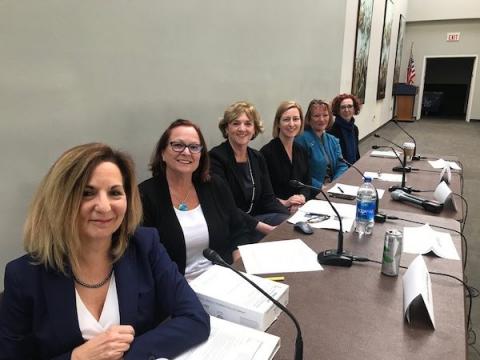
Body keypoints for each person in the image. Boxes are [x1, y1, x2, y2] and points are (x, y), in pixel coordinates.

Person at [0, 143, 209, 360]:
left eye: (115, 193)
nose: (104, 206)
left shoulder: (146, 245)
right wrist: (78, 358)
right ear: (60, 200)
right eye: (87, 193)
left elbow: (195, 318)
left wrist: (127, 354)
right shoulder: (23, 276)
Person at [139, 119, 249, 280]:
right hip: (176, 289)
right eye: (177, 145)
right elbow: (146, 259)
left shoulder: (215, 186)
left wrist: (239, 265)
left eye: (194, 147)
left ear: (200, 154)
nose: (186, 152)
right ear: (162, 152)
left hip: (224, 278)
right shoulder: (144, 195)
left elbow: (239, 230)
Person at [209, 101, 290, 241]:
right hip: (229, 226)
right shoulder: (215, 158)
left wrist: (291, 219)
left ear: (254, 129)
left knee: (290, 226)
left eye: (248, 124)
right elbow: (226, 207)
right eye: (235, 123)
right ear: (226, 128)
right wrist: (267, 229)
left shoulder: (257, 157)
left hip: (256, 220)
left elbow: (268, 199)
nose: (242, 129)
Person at [260, 101, 311, 213]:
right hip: (276, 211)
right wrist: (286, 203)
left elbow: (307, 183)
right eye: (286, 119)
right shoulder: (266, 153)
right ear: (278, 123)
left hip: (300, 208)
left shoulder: (301, 150)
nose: (292, 124)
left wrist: (302, 197)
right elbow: (264, 193)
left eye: (296, 119)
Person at [296, 99, 348, 189]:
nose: (321, 119)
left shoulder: (333, 140)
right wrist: (321, 187)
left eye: (325, 115)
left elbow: (342, 165)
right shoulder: (301, 140)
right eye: (316, 116)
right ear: (309, 118)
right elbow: (300, 173)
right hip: (312, 191)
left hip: (333, 188)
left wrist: (334, 184)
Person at [328, 93, 361, 164]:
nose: (346, 110)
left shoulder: (355, 129)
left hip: (354, 168)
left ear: (354, 109)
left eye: (350, 106)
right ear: (337, 110)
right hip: (340, 171)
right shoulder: (331, 130)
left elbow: (356, 153)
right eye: (343, 107)